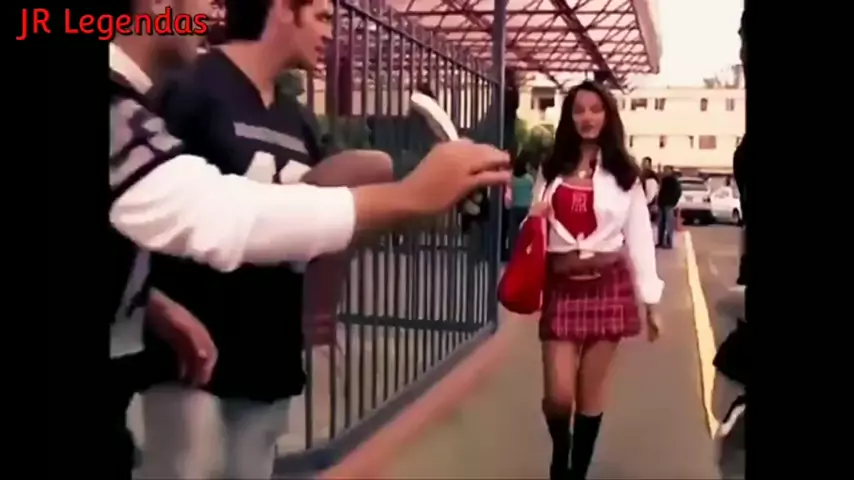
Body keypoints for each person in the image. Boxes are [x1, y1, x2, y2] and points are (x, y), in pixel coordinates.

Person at [108, 1, 511, 478]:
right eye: (321, 16)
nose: (330, 33)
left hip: (269, 359)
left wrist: (395, 202)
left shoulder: (296, 118)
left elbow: (309, 218)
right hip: (189, 364)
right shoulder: (186, 88)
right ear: (284, 10)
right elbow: (197, 211)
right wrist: (408, 196)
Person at [527, 81, 663, 480]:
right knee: (558, 395)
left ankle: (575, 473)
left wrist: (651, 302)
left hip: (609, 284)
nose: (587, 117)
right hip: (562, 285)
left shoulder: (624, 174)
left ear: (608, 116)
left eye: (595, 109)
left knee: (590, 392)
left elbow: (640, 237)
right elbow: (534, 228)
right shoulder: (551, 168)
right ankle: (561, 450)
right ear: (569, 118)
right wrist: (533, 218)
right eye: (579, 110)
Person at [505, 152, 536, 256]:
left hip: (515, 208)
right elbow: (533, 190)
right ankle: (524, 254)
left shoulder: (512, 179)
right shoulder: (529, 179)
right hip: (526, 209)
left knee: (513, 234)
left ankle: (513, 254)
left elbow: (509, 191)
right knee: (525, 233)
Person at [656, 166, 682, 249]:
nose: (665, 172)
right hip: (662, 204)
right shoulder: (663, 180)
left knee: (669, 224)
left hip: (669, 204)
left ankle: (669, 242)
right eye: (664, 170)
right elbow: (660, 192)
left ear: (671, 171)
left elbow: (678, 192)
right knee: (661, 224)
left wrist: (673, 201)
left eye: (667, 170)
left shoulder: (674, 181)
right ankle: (660, 242)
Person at [640, 156, 659, 221]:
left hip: (648, 205)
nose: (643, 165)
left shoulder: (651, 178)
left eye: (645, 164)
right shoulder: (642, 176)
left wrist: (644, 202)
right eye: (642, 163)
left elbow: (650, 195)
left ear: (649, 165)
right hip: (644, 204)